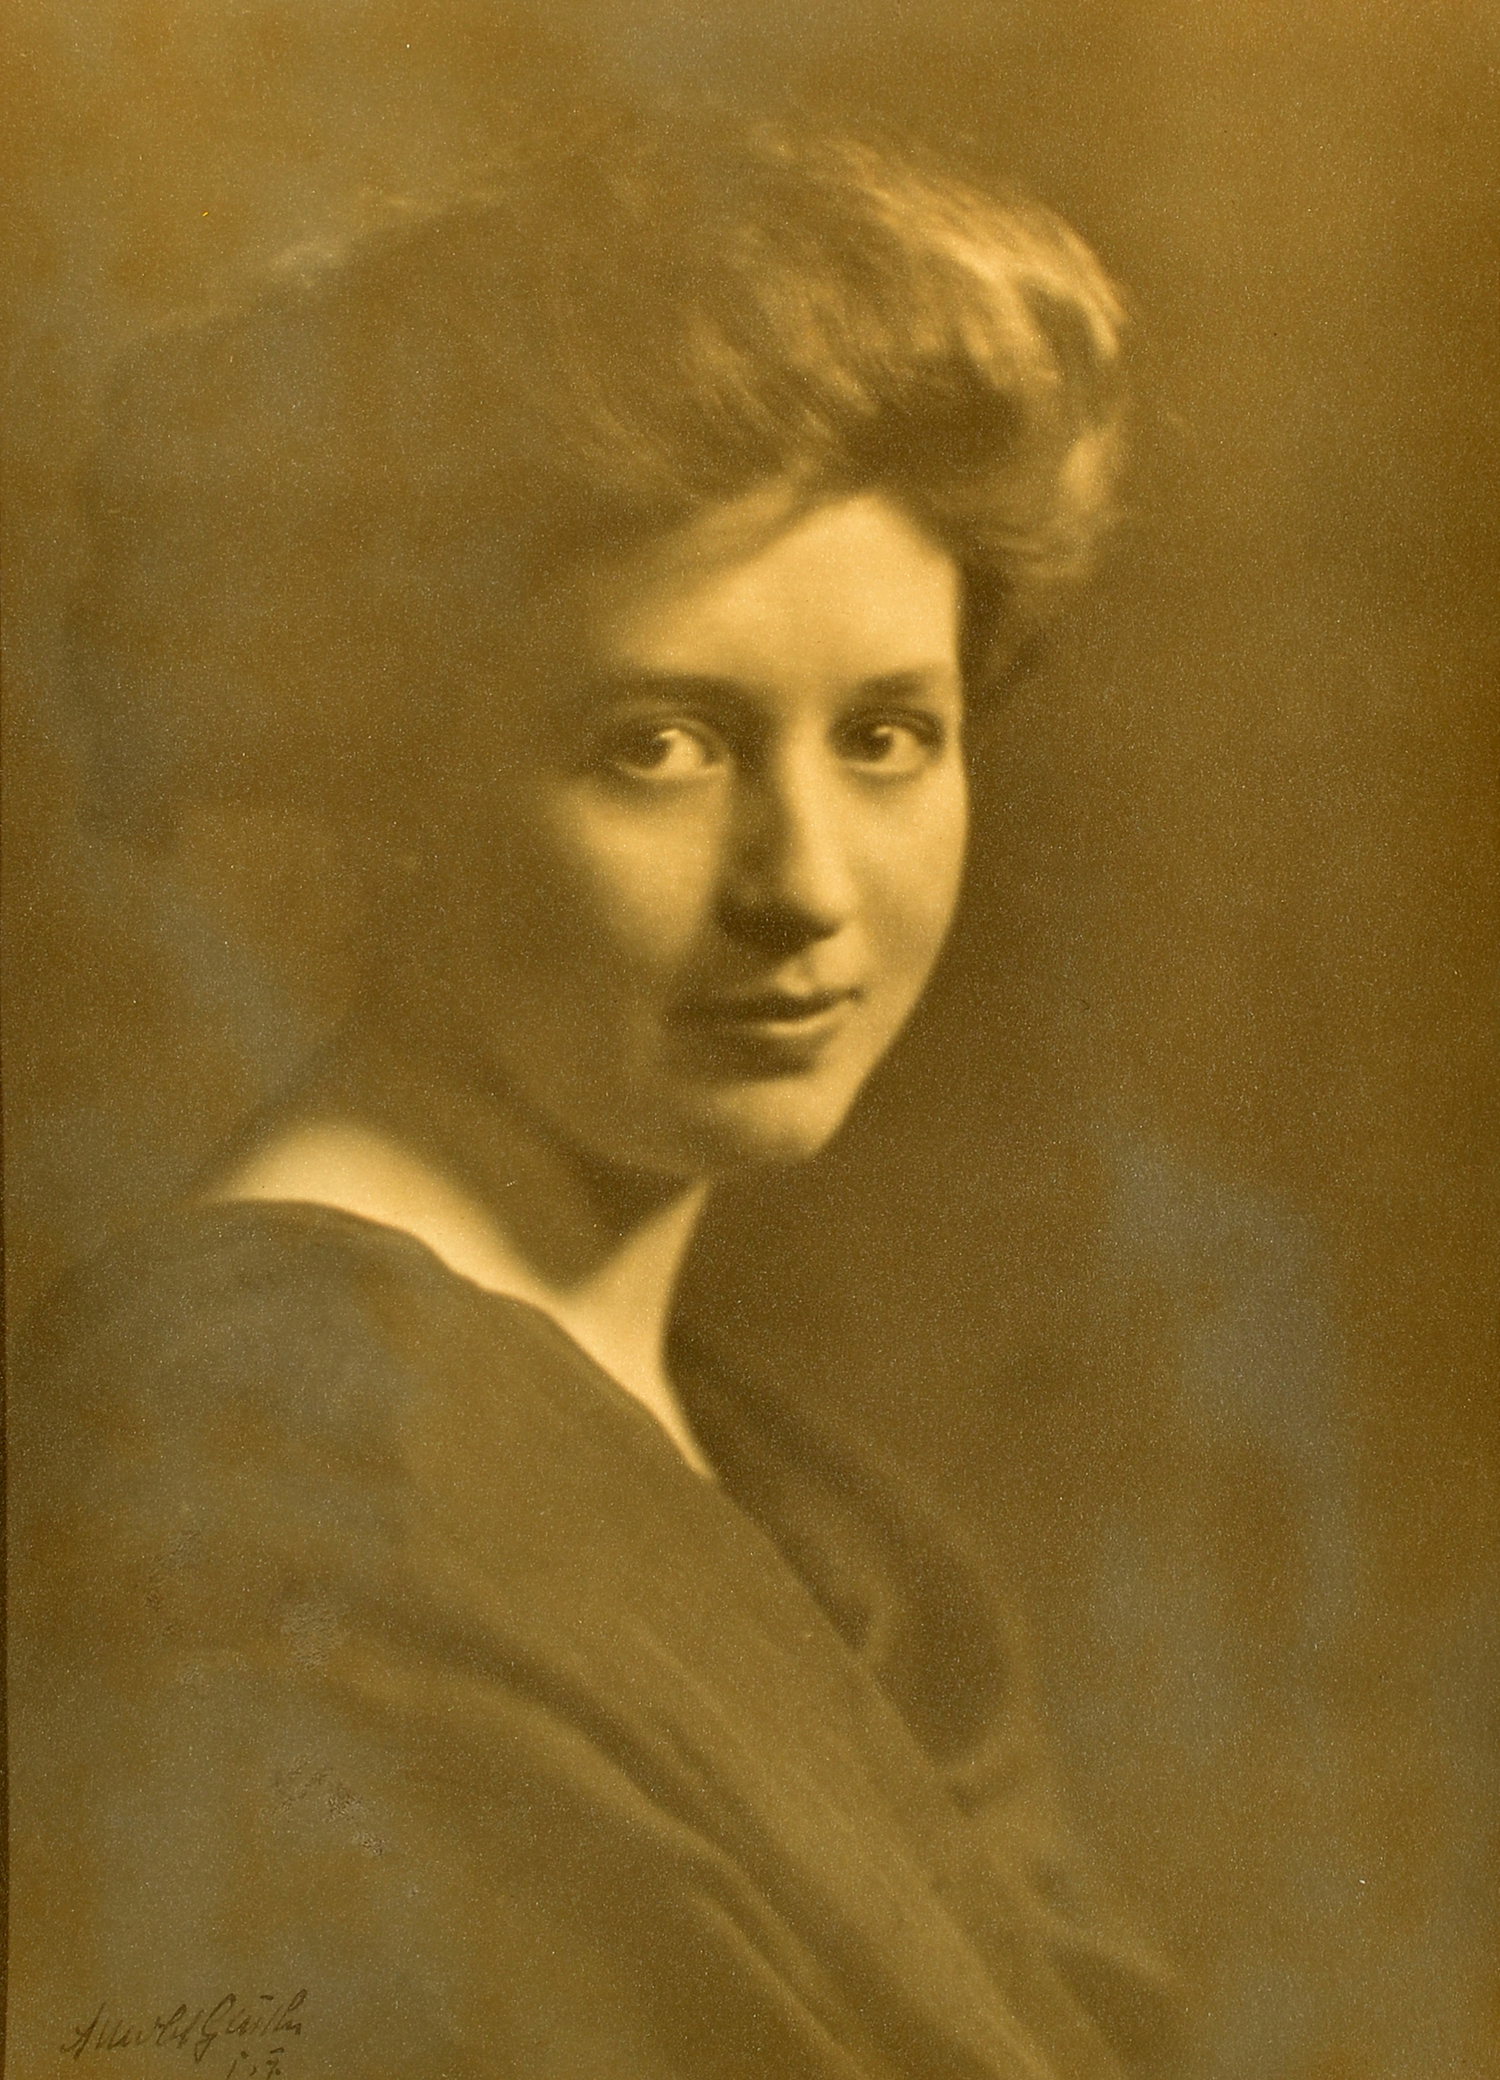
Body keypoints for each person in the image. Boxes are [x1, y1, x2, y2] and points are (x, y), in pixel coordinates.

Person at [9, 105, 1185, 2078]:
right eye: (658, 743)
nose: (806, 884)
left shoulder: (803, 1514)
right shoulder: (268, 1469)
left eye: (889, 736)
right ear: (390, 771)